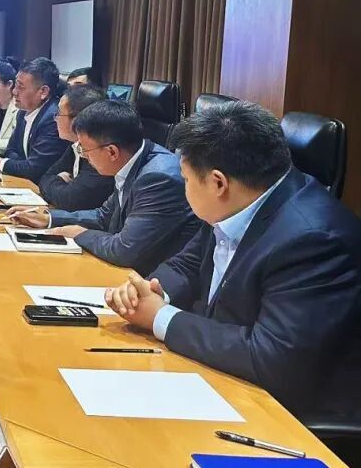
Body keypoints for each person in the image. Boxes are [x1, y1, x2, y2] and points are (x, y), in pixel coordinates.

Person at [104, 101, 361, 423]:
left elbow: (272, 357)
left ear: (218, 183)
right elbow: (188, 264)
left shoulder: (313, 240)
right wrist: (151, 291)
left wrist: (160, 317)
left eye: (185, 180)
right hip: (223, 370)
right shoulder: (241, 200)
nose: (184, 188)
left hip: (286, 410)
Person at [8, 100, 198, 273]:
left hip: (154, 280)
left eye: (84, 149)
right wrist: (48, 219)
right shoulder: (132, 160)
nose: (83, 156)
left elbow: (124, 250)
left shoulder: (157, 178)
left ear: (112, 152)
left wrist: (80, 234)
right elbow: (104, 216)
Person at [0, 57, 69, 184]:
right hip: (23, 181)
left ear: (43, 91)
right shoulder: (23, 111)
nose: (14, 91)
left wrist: (1, 163)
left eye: (20, 87)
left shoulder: (53, 118)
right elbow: (11, 150)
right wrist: (20, 163)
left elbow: (35, 167)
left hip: (44, 187)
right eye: (15, 85)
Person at [37, 84, 115, 211]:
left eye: (59, 113)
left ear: (77, 120)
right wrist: (59, 181)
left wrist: (57, 181)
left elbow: (71, 200)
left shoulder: (101, 150)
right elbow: (45, 177)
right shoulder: (75, 144)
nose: (55, 118)